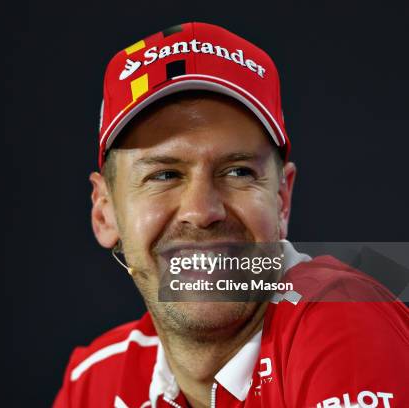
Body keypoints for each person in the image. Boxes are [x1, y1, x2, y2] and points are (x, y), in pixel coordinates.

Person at [53, 22, 408, 408]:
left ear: (281, 199)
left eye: (238, 171)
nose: (203, 211)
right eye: (164, 175)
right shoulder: (96, 379)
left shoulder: (344, 317)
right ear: (105, 213)